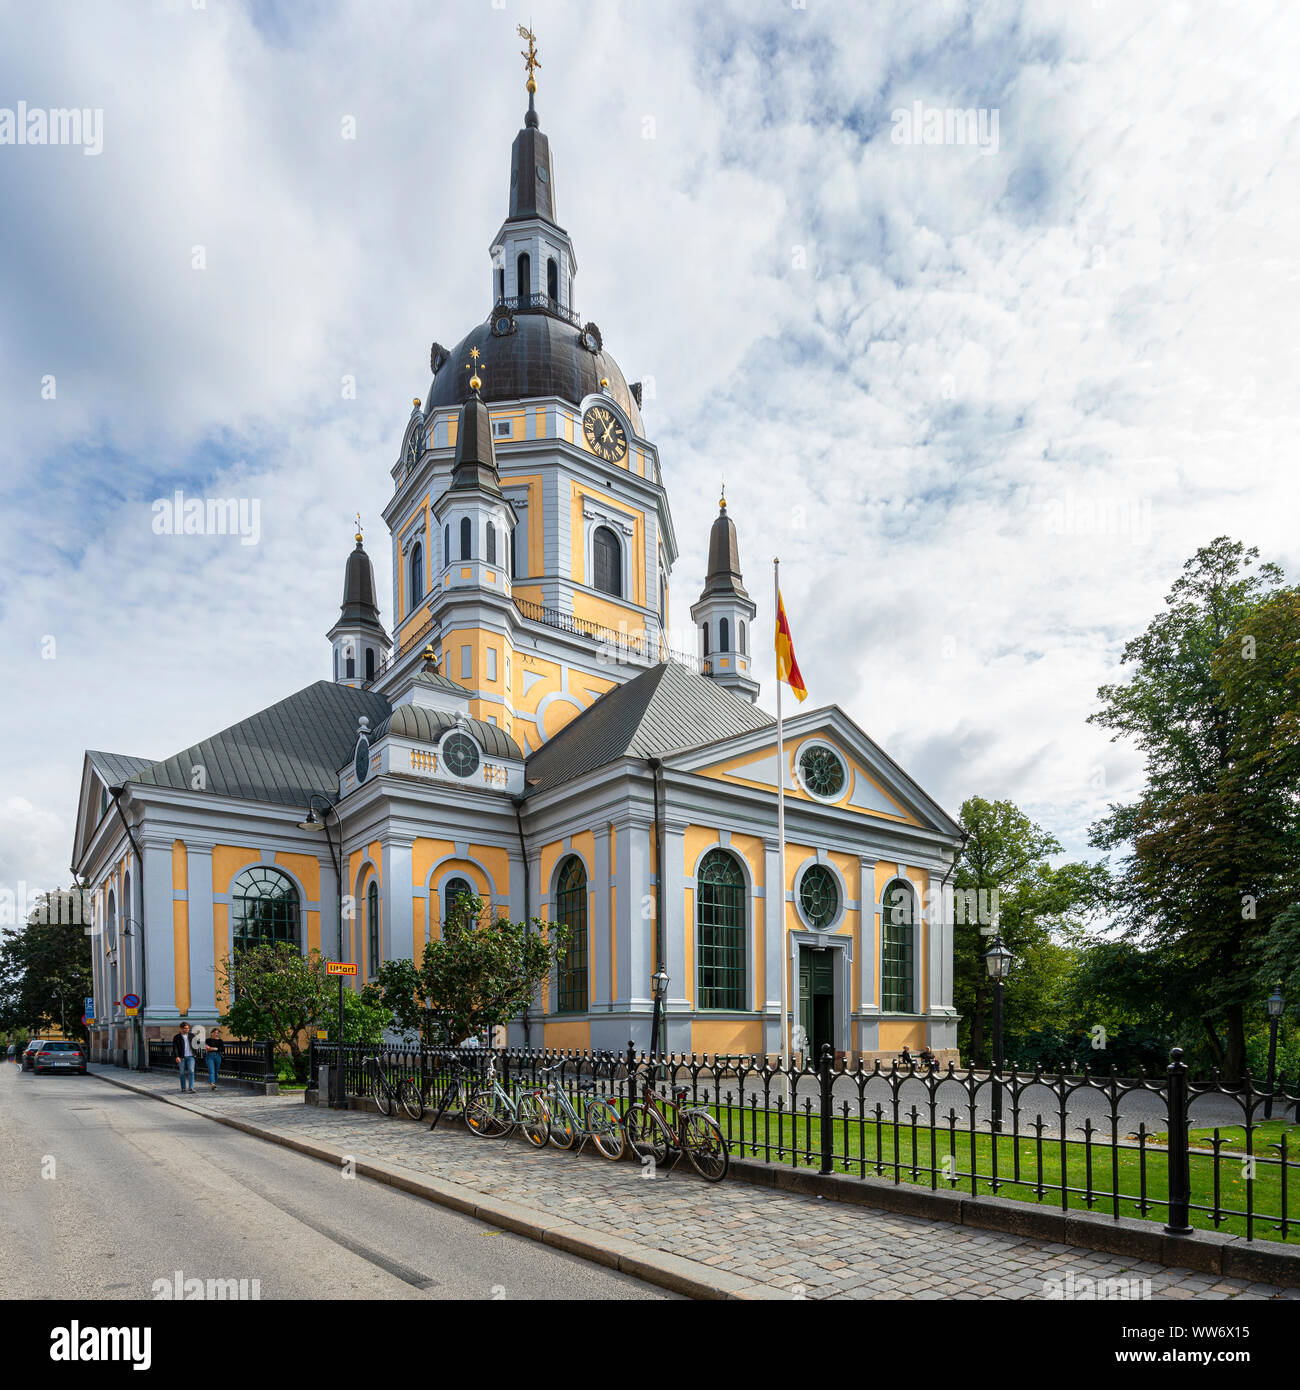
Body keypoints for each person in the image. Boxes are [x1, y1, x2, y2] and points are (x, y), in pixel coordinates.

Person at [172, 1021, 197, 1092]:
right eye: (185, 1028)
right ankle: (183, 1088)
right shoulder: (176, 1037)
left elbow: (197, 1044)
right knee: (182, 1072)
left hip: (191, 1056)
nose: (186, 1030)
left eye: (188, 1028)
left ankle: (191, 1088)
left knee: (191, 1071)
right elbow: (175, 1048)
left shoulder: (192, 1036)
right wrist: (177, 1056)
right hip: (181, 1057)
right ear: (181, 1028)